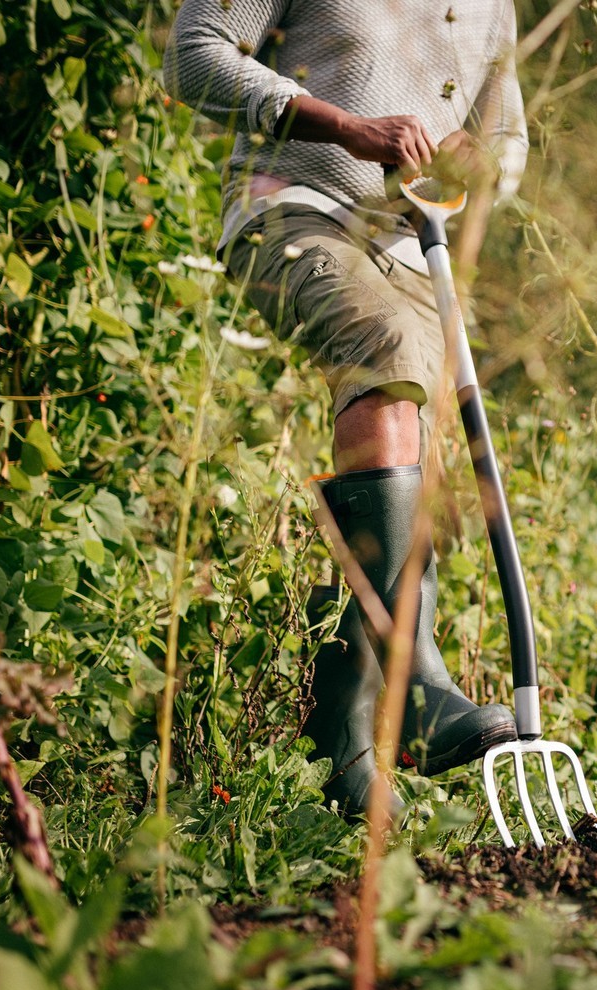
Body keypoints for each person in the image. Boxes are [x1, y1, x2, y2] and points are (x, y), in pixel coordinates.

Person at [163, 1, 529, 818]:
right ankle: (417, 683)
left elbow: (509, 139)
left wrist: (481, 161)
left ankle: (345, 751)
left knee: (411, 461)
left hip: (411, 248)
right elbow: (193, 53)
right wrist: (344, 127)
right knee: (391, 351)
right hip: (289, 205)